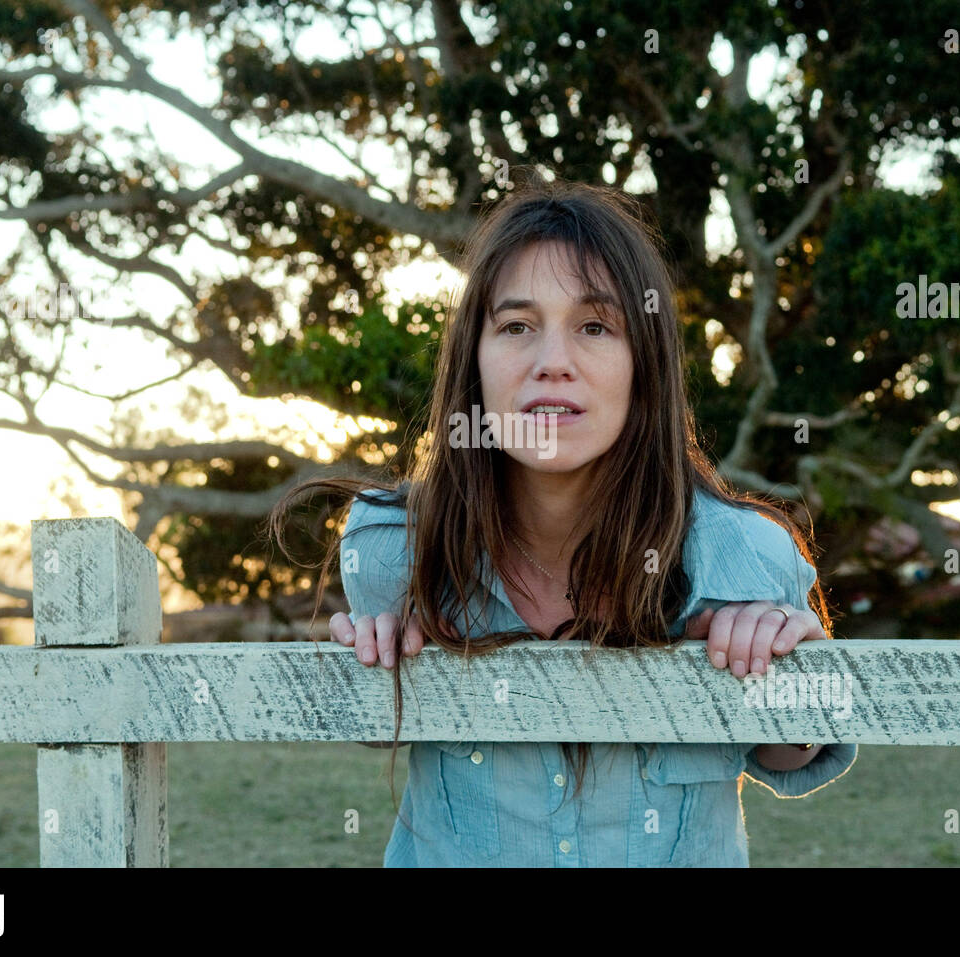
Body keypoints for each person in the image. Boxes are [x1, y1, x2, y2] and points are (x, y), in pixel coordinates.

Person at [268, 177, 856, 866]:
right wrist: (373, 674)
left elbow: (786, 752)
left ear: (646, 364)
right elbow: (384, 729)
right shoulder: (396, 550)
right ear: (474, 362)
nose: (552, 364)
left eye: (595, 326)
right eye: (516, 326)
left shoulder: (746, 557)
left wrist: (793, 673)